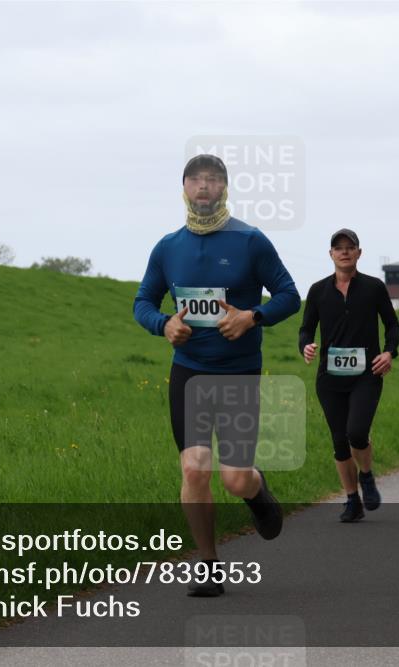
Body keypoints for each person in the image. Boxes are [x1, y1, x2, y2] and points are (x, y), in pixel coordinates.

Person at [133, 154, 300, 596]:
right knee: (193, 468)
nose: (204, 187)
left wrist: (252, 316)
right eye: (196, 180)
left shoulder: (250, 241)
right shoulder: (168, 247)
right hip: (189, 372)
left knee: (234, 478)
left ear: (225, 188)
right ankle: (207, 565)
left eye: (213, 180)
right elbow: (143, 302)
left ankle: (255, 488)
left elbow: (289, 295)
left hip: (239, 374)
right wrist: (164, 324)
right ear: (184, 188)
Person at [299, 229, 399, 522]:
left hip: (366, 373)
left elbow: (392, 326)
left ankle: (366, 476)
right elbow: (306, 328)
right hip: (329, 378)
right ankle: (352, 500)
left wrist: (388, 352)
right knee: (339, 441)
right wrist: (305, 345)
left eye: (349, 247)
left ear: (358, 253)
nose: (344, 252)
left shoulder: (373, 287)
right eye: (338, 248)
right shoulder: (318, 290)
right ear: (331, 254)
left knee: (356, 432)